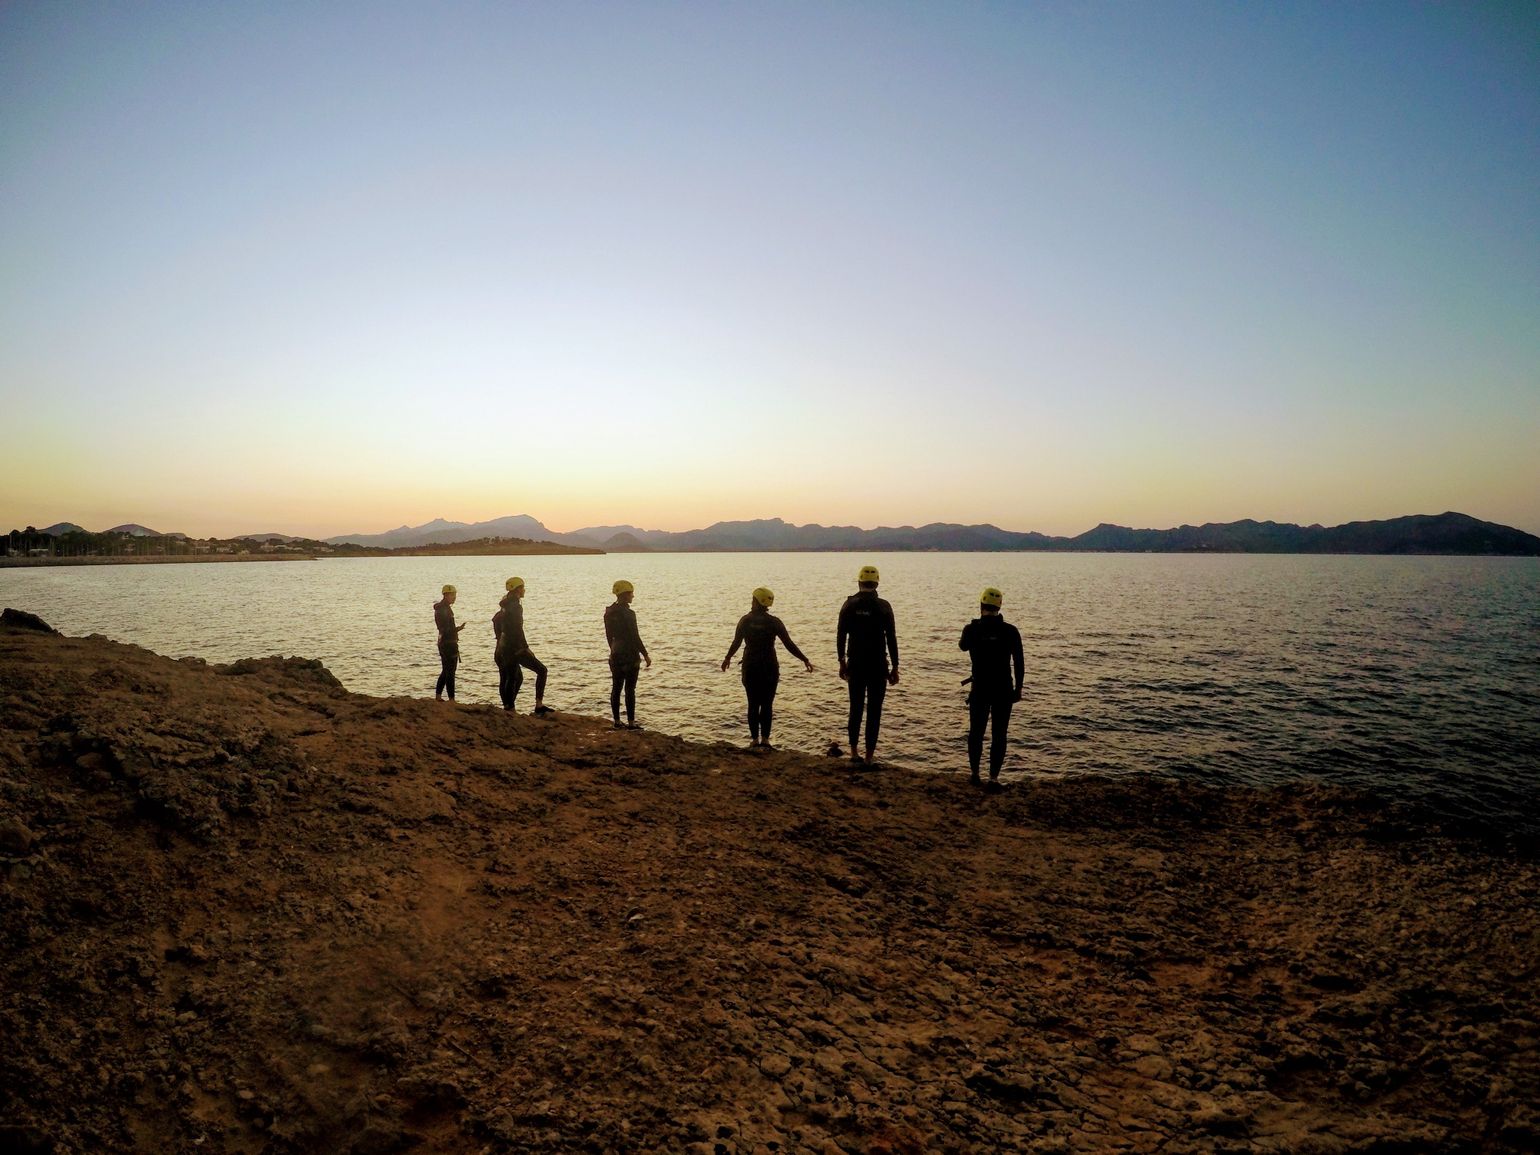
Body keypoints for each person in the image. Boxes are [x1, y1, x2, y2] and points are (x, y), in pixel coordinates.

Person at [721, 587, 814, 749]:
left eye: (753, 600)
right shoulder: (774, 622)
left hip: (750, 666)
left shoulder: (745, 620)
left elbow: (736, 642)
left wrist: (727, 658)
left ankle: (754, 740)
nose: (751, 602)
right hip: (769, 667)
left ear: (757, 602)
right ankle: (765, 740)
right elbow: (788, 643)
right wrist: (804, 659)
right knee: (767, 704)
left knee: (752, 703)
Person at [959, 586, 1024, 786]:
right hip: (1004, 688)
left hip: (980, 687)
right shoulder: (1011, 631)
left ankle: (975, 775)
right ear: (1000, 606)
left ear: (981, 605)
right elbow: (1019, 663)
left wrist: (976, 625)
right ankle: (994, 778)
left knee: (976, 732)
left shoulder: (972, 629)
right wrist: (1018, 689)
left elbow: (963, 646)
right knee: (999, 734)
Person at [837, 564, 899, 764]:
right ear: (877, 583)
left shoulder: (849, 605)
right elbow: (891, 638)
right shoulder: (884, 606)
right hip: (878, 665)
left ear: (859, 582)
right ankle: (869, 757)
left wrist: (842, 661)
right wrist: (895, 666)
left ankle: (854, 752)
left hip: (856, 664)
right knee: (874, 711)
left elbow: (841, 635)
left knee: (855, 708)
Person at [493, 576, 552, 714]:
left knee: (511, 676)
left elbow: (496, 620)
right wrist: (525, 648)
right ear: (517, 590)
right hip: (515, 647)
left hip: (505, 646)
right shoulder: (516, 607)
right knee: (542, 671)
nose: (524, 590)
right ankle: (538, 705)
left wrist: (499, 640)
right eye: (522, 587)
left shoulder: (505, 605)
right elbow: (518, 629)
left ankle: (508, 707)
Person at [603, 580, 650, 729]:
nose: (633, 596)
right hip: (630, 654)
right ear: (624, 595)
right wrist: (645, 654)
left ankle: (616, 721)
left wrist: (613, 651)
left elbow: (608, 635)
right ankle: (631, 723)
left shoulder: (608, 612)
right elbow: (635, 636)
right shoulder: (629, 614)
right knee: (630, 689)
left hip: (616, 653)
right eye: (631, 593)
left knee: (616, 688)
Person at [433, 584, 465, 701]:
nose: (454, 597)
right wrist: (457, 629)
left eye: (455, 595)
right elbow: (445, 629)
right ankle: (451, 699)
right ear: (446, 595)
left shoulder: (443, 608)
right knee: (450, 671)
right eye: (452, 595)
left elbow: (444, 628)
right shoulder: (444, 609)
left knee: (446, 670)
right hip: (448, 643)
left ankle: (438, 695)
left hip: (444, 642)